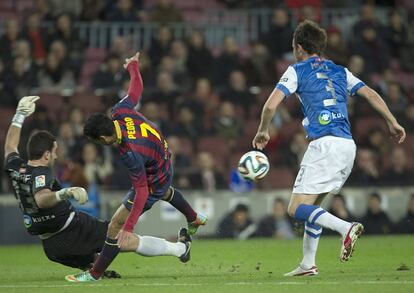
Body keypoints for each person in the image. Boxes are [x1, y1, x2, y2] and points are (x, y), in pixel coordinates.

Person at [252, 20, 406, 276]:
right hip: (347, 146)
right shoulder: (340, 71)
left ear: (299, 47)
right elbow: (370, 94)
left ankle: (346, 228)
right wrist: (393, 121)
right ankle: (308, 264)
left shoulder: (297, 70)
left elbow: (270, 106)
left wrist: (263, 129)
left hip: (324, 145)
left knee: (295, 209)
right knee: (314, 207)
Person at [66, 52, 207, 282]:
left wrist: (128, 227)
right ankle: (193, 218)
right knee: (166, 191)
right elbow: (136, 91)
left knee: (115, 226)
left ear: (102, 138)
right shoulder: (119, 112)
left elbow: (142, 192)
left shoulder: (130, 153)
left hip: (154, 179)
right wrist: (133, 66)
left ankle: (95, 273)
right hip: (163, 160)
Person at [3, 96, 118, 278]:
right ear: (47, 154)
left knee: (92, 259)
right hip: (68, 228)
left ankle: (94, 267)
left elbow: (10, 146)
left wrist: (19, 115)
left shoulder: (15, 166)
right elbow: (42, 199)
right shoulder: (41, 172)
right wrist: (66, 192)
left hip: (49, 244)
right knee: (121, 236)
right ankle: (176, 249)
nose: (56, 156)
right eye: (55, 151)